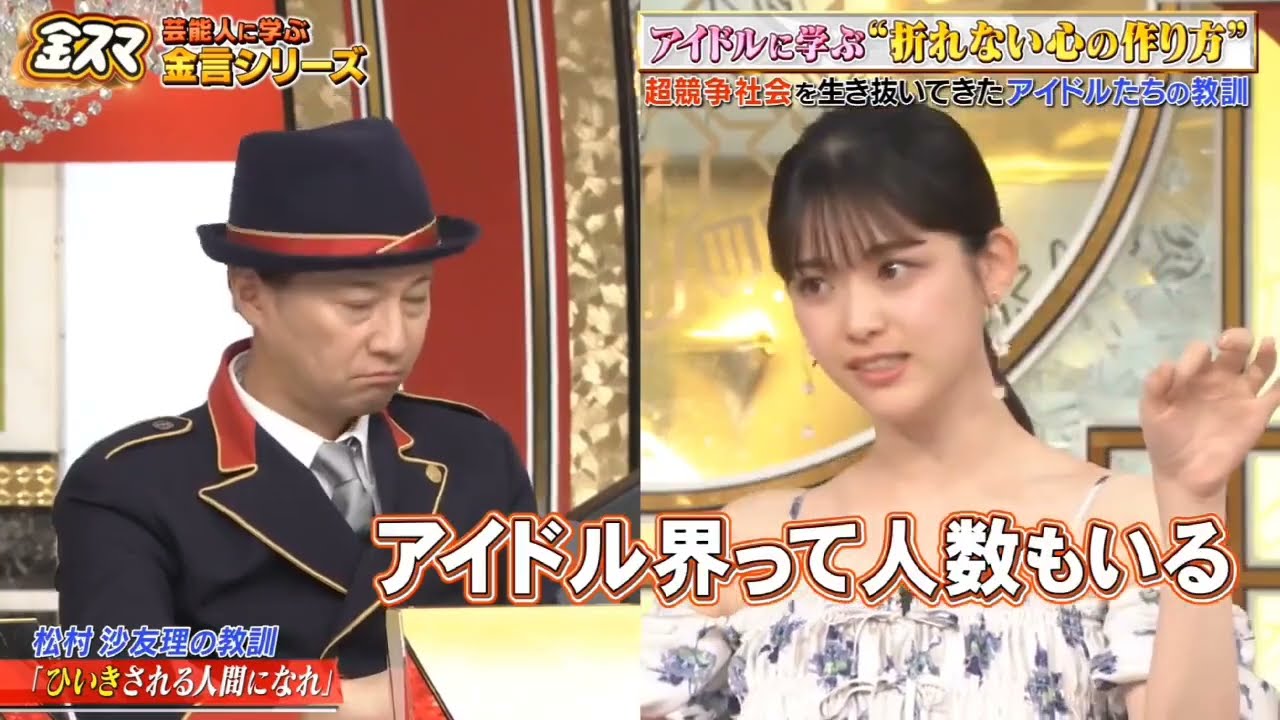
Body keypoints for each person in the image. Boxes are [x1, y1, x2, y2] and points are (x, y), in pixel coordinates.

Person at [640, 105, 1279, 718]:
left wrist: (1192, 503)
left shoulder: (1124, 525)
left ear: (993, 265)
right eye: (816, 284)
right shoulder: (747, 545)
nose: (858, 320)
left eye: (894, 269)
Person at [53, 118, 545, 719]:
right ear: (251, 294)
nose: (395, 339)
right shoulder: (128, 485)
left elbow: (550, 666)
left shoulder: (473, 454)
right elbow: (121, 700)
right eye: (357, 305)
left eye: (416, 299)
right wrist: (344, 705)